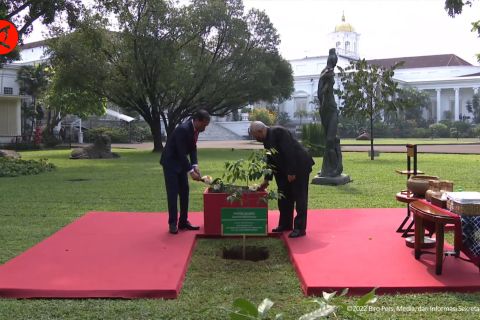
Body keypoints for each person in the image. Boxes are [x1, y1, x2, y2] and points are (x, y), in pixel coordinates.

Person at [250, 121, 315, 238]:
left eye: (255, 135)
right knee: (283, 196)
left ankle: (300, 228)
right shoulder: (266, 140)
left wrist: (291, 171)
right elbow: (270, 159)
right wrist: (267, 179)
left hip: (299, 166)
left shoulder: (279, 132)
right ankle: (285, 224)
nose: (255, 138)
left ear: (260, 131)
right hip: (284, 171)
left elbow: (289, 152)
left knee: (299, 196)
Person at [160, 109, 210, 234]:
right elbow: (181, 152)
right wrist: (190, 171)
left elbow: (192, 148)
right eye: (204, 124)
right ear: (197, 120)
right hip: (170, 163)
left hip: (181, 163)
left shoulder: (195, 129)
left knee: (184, 192)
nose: (205, 127)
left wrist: (195, 165)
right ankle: (172, 223)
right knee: (173, 193)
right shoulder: (183, 129)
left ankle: (183, 222)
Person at [317, 48, 343, 177]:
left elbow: (328, 78)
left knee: (330, 140)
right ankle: (326, 168)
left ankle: (337, 168)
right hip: (324, 110)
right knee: (329, 141)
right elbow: (319, 92)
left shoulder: (329, 72)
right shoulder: (325, 72)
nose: (332, 63)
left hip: (332, 110)